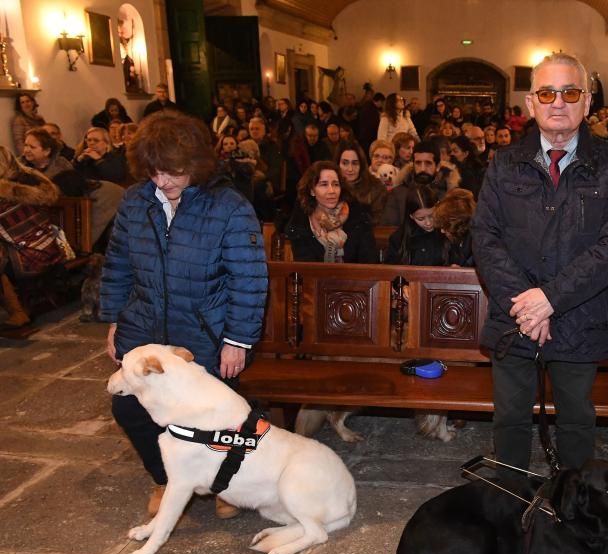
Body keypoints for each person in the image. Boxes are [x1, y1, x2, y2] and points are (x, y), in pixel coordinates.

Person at [471, 52, 608, 475]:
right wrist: (528, 305)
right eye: (547, 93)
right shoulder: (504, 164)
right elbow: (485, 238)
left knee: (577, 423)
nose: (558, 102)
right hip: (515, 317)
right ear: (531, 104)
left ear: (587, 102)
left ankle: (573, 515)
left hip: (580, 316)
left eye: (570, 92)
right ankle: (510, 505)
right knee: (509, 421)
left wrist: (551, 299)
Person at [100, 110, 268, 519]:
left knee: (216, 418)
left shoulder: (228, 206)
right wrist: (114, 320)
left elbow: (249, 277)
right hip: (144, 327)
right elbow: (118, 262)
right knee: (130, 407)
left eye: (173, 172)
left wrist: (237, 340)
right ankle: (165, 477)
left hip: (204, 332)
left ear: (194, 164)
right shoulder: (135, 201)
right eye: (155, 172)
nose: (163, 182)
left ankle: (226, 481)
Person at [0, 146, 61, 329]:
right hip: (51, 246)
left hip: (30, 256)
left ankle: (17, 313)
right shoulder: (30, 178)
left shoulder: (5, 194)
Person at [283, 161, 377, 263]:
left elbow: (369, 262)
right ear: (312, 191)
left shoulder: (358, 218)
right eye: (324, 185)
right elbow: (305, 266)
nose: (332, 191)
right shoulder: (301, 222)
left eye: (336, 184)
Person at [386, 185, 445, 265]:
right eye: (421, 219)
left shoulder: (447, 231)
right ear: (411, 216)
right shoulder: (399, 238)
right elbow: (391, 270)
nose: (428, 223)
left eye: (432, 216)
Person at [334, 140, 387, 225]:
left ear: (361, 165)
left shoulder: (376, 188)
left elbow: (377, 221)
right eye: (345, 163)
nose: (350, 169)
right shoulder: (329, 188)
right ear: (337, 164)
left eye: (355, 163)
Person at [433, 188, 476, 267]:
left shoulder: (477, 244)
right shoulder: (456, 240)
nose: (442, 231)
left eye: (446, 227)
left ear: (459, 225)